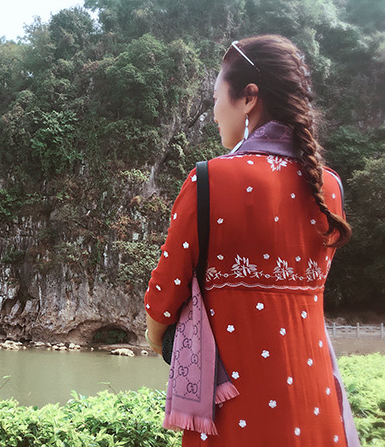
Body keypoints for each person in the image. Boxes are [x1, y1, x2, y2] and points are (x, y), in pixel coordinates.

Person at [144, 35, 359, 446]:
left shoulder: (209, 181)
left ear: (248, 98)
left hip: (237, 411)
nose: (213, 112)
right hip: (316, 403)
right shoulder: (328, 187)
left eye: (216, 99)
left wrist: (159, 339)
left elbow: (163, 298)